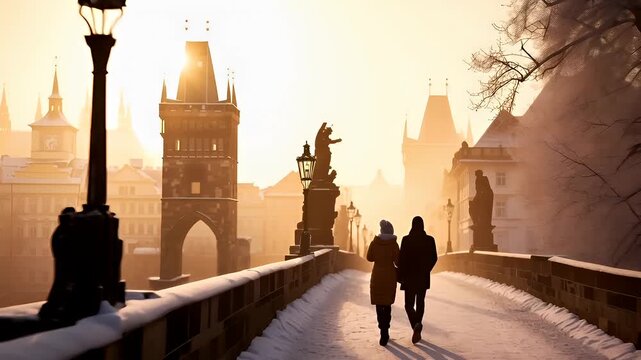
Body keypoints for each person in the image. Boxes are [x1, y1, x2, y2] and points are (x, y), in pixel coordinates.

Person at [398, 216, 438, 344]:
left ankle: (416, 325)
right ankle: (418, 325)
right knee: (420, 302)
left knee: (408, 305)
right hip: (422, 277)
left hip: (409, 277)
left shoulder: (406, 240)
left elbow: (401, 259)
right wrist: (426, 269)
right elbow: (434, 258)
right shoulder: (429, 240)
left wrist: (402, 273)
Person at [366, 219, 399, 346]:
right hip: (390, 276)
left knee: (379, 303)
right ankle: (386, 328)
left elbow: (369, 257)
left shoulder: (375, 243)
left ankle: (382, 329)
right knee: (387, 303)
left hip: (378, 276)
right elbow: (398, 262)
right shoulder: (394, 244)